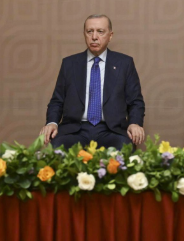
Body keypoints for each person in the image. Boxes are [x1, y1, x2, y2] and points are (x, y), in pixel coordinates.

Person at [40, 15, 145, 150]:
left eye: (100, 32)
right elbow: (57, 101)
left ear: (110, 36)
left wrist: (135, 123)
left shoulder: (124, 63)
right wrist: (52, 123)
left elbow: (136, 101)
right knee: (57, 146)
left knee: (124, 147)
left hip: (111, 130)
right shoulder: (69, 64)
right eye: (89, 31)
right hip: (75, 130)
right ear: (84, 34)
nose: (94, 37)